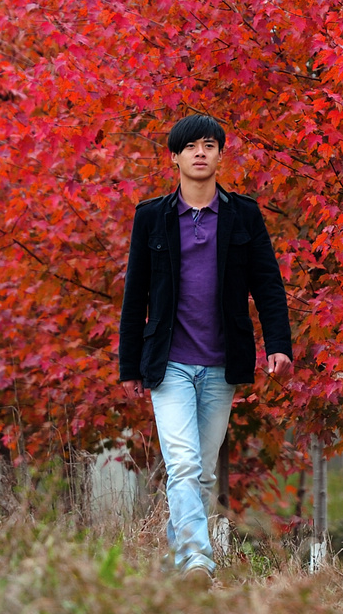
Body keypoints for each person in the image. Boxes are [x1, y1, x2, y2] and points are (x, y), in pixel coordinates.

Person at [117, 114, 294, 579]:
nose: (201, 152)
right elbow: (135, 294)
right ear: (174, 156)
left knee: (202, 475)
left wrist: (278, 344)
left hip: (221, 362)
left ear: (220, 155)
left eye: (209, 145)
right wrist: (128, 365)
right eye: (191, 146)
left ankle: (182, 564)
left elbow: (268, 285)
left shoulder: (244, 215)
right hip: (168, 361)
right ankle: (197, 561)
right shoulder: (152, 216)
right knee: (183, 463)